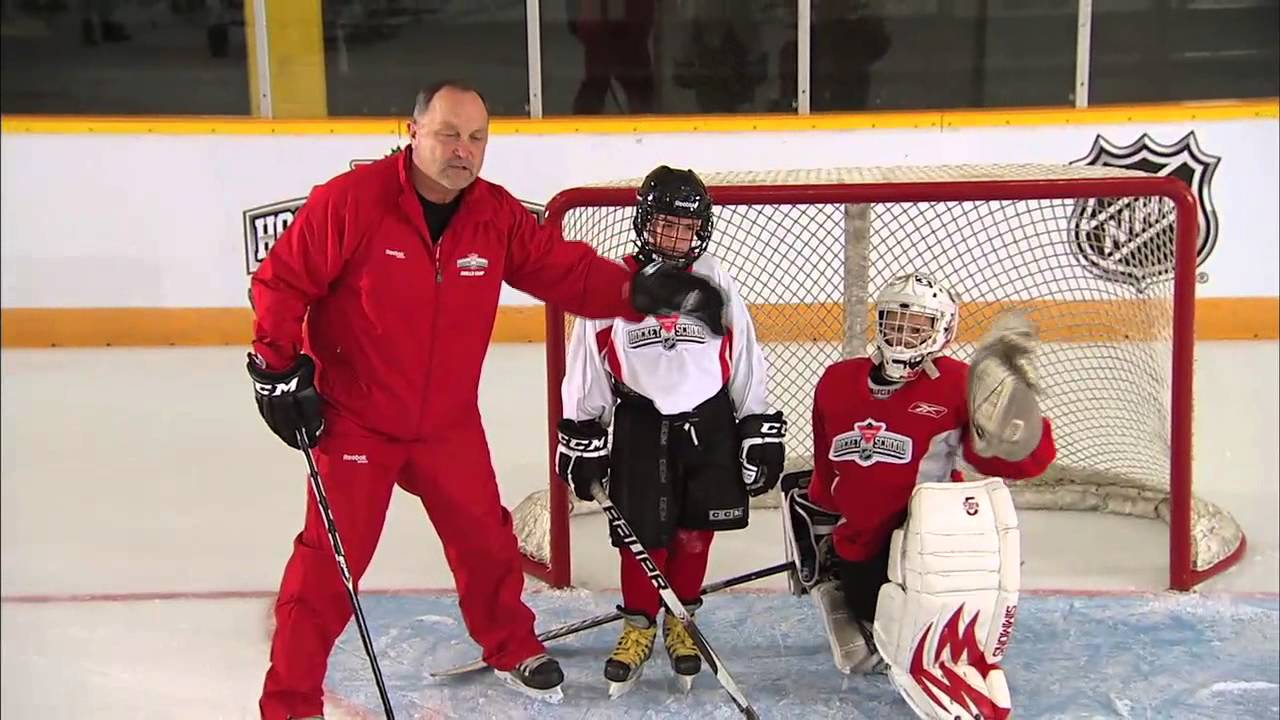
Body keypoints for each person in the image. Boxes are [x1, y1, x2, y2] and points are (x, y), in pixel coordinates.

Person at [247, 82, 728, 720]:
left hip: (447, 423)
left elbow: (566, 271)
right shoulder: (351, 203)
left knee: (485, 540)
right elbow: (282, 279)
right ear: (413, 131)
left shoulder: (492, 215)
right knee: (329, 568)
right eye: (448, 133)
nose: (462, 150)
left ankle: (510, 644)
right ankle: (289, 703)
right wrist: (276, 367)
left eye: (476, 137)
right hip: (357, 420)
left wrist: (642, 293)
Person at [555, 166, 786, 697]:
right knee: (641, 537)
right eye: (665, 224)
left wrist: (755, 424)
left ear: (700, 229)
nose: (675, 237)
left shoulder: (718, 280)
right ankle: (638, 626)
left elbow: (744, 356)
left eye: (685, 227)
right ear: (644, 222)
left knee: (694, 531)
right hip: (638, 422)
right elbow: (587, 363)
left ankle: (681, 621)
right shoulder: (616, 282)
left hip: (708, 422)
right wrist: (584, 429)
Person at [783, 272, 1057, 719]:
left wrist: (1020, 423)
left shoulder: (958, 382)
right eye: (894, 322)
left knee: (927, 640)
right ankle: (834, 587)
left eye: (918, 327)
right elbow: (826, 469)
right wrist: (825, 520)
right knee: (868, 646)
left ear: (943, 332)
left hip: (927, 542)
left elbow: (1007, 461)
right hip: (861, 543)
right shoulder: (837, 381)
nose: (903, 335)